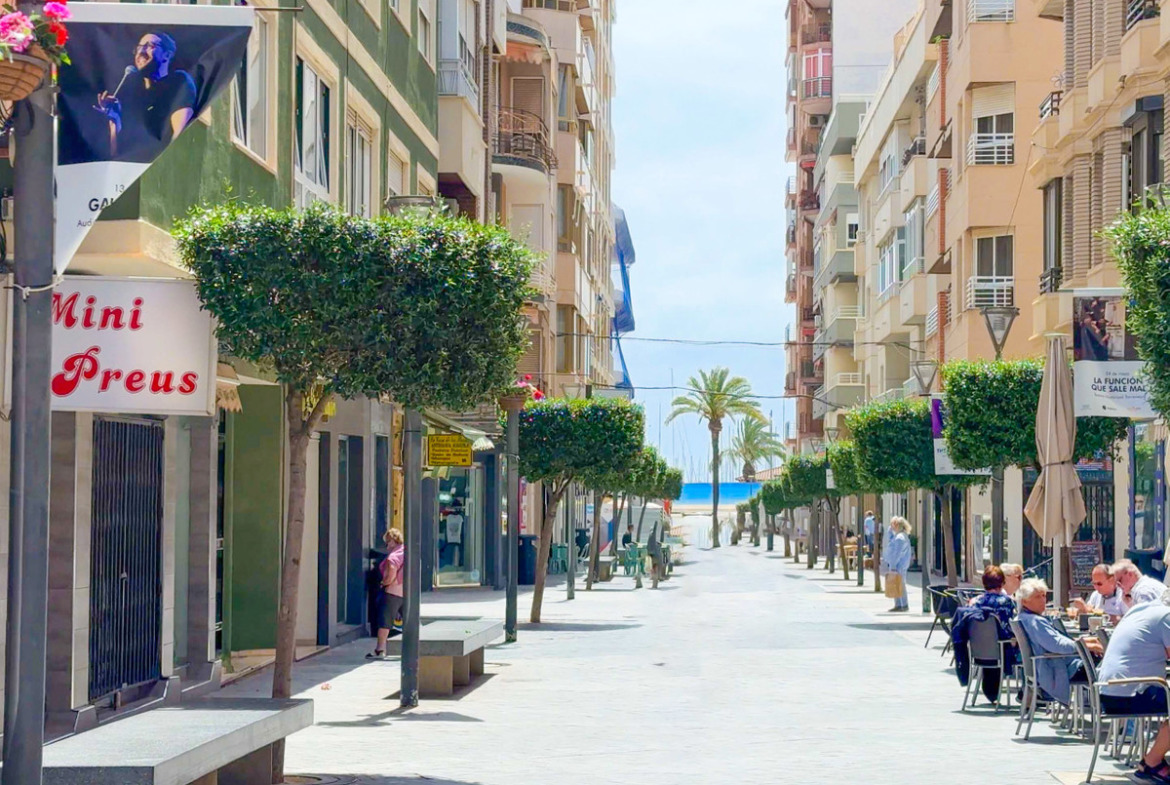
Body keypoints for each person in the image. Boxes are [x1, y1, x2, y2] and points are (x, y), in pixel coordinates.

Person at [1095, 588, 1170, 783]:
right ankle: (1152, 762)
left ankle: (1153, 760)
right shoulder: (1166, 616)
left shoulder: (1139, 611)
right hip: (1128, 694)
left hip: (1110, 691)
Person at [95, 33, 197, 161]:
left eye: (150, 46)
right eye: (139, 47)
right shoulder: (134, 97)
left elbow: (180, 134)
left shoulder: (178, 81)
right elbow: (117, 157)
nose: (141, 52)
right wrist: (114, 121)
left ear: (167, 55)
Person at [1015, 578, 1100, 706]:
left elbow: (1058, 642)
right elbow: (1059, 646)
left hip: (1043, 668)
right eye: (1037, 597)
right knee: (1107, 665)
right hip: (1058, 671)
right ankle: (1106, 707)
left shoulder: (1023, 618)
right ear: (1024, 601)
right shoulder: (1035, 621)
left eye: (1044, 595)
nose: (1043, 600)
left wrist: (1087, 642)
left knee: (1097, 657)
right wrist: (1088, 646)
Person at [367, 528, 405, 660]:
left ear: (393, 541)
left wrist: (384, 582)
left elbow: (391, 570)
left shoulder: (394, 556)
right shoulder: (406, 552)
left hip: (392, 592)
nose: (387, 546)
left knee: (384, 622)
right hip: (406, 592)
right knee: (409, 621)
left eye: (388, 542)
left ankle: (380, 650)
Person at [881, 516, 912, 612]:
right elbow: (890, 539)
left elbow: (897, 553)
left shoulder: (900, 538)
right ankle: (899, 604)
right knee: (897, 583)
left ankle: (903, 604)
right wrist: (890, 530)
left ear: (898, 525)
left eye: (893, 524)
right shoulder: (899, 536)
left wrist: (893, 565)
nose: (892, 526)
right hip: (898, 564)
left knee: (900, 584)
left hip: (899, 565)